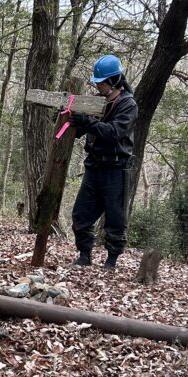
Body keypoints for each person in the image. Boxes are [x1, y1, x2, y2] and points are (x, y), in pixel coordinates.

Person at [65, 55, 138, 269]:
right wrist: (73, 122)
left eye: (102, 81)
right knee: (81, 214)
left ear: (114, 80)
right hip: (94, 166)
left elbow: (113, 132)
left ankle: (111, 260)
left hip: (116, 168)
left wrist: (87, 122)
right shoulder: (95, 101)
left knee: (115, 218)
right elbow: (84, 129)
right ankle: (84, 255)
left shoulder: (128, 104)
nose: (98, 85)